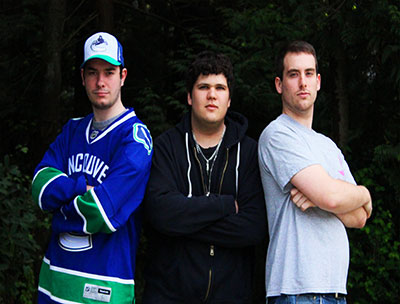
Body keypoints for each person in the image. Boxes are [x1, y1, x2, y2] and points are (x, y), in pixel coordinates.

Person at [31, 32, 152, 304]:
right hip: (53, 283)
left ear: (122, 76)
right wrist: (80, 188)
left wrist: (58, 207)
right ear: (83, 77)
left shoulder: (135, 138)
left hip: (104, 286)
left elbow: (101, 212)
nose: (100, 82)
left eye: (109, 72)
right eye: (92, 72)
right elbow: (39, 187)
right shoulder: (72, 130)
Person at [143, 51, 267, 303]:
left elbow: (254, 226)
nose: (212, 95)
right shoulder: (166, 146)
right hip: (168, 296)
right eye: (203, 87)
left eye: (220, 88)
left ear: (229, 99)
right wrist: (223, 205)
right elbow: (160, 213)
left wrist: (184, 223)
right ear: (190, 96)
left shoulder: (250, 152)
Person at [258, 40, 373, 304]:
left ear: (318, 81)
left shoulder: (328, 146)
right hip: (297, 289)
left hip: (334, 290)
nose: (303, 82)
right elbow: (333, 198)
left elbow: (358, 218)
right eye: (293, 74)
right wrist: (359, 193)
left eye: (309, 73)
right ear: (279, 84)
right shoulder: (277, 135)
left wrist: (337, 196)